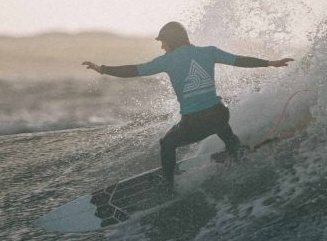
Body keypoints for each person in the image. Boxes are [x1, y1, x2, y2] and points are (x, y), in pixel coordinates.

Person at [83, 21, 293, 193]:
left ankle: (167, 186)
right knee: (218, 119)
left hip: (195, 123)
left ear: (171, 41)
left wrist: (102, 69)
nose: (161, 46)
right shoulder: (209, 52)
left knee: (166, 143)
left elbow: (133, 71)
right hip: (220, 115)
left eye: (163, 41)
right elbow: (239, 61)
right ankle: (236, 150)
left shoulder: (166, 60)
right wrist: (270, 63)